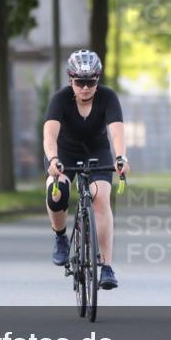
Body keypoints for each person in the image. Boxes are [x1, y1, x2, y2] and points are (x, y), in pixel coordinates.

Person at [43, 49, 130, 289]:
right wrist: (53, 159)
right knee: (56, 192)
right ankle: (60, 237)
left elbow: (116, 130)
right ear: (70, 80)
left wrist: (121, 157)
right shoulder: (60, 99)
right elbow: (50, 133)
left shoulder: (108, 97)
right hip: (64, 154)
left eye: (90, 82)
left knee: (101, 199)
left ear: (97, 80)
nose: (85, 88)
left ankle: (107, 266)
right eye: (79, 82)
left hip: (97, 152)